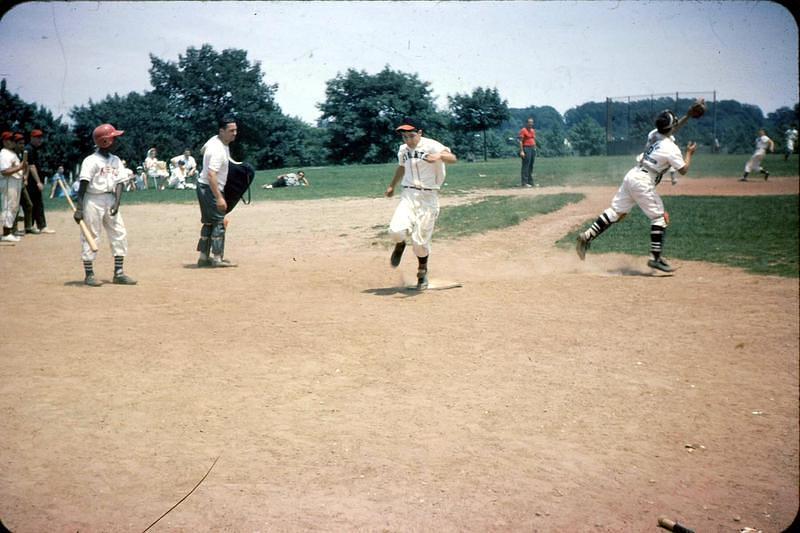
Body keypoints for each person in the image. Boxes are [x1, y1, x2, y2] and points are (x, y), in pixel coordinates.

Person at [575, 106, 701, 273]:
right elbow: (683, 170)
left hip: (633, 175)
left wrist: (688, 116)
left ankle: (586, 237)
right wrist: (690, 153)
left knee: (616, 212)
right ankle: (655, 258)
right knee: (659, 218)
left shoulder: (653, 135)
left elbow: (670, 129)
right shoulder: (671, 149)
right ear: (671, 128)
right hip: (644, 181)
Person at [385, 117, 457, 290]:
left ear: (419, 133)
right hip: (408, 194)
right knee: (395, 231)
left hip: (428, 197)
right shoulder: (403, 149)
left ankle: (422, 271)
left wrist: (439, 156)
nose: (408, 140)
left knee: (420, 242)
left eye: (411, 135)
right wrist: (391, 185)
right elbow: (402, 167)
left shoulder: (431, 145)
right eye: (404, 136)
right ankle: (400, 244)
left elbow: (452, 158)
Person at [73, 123, 137, 286]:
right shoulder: (91, 161)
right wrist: (79, 208)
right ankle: (89, 274)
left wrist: (117, 202)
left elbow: (121, 182)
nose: (117, 141)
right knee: (91, 235)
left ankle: (119, 273)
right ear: (105, 141)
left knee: (119, 232)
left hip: (110, 198)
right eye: (114, 138)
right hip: (92, 199)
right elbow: (83, 185)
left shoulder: (115, 160)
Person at [195, 116, 238, 268]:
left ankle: (203, 257)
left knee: (209, 222)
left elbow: (203, 150)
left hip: (205, 187)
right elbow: (211, 174)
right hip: (210, 188)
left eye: (235, 130)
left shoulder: (216, 141)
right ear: (221, 131)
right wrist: (219, 198)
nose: (235, 133)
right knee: (219, 222)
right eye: (231, 131)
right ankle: (217, 258)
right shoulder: (217, 150)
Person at [21, 129, 54, 234]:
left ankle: (31, 226)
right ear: (31, 138)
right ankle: (41, 226)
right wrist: (38, 182)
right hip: (31, 181)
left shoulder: (34, 149)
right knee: (37, 203)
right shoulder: (29, 149)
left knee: (33, 203)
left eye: (40, 137)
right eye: (37, 138)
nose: (40, 140)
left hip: (31, 181)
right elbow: (31, 166)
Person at [0, 131, 28, 242]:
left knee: (14, 207)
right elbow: (5, 171)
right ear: (5, 141)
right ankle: (6, 233)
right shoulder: (4, 154)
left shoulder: (11, 153)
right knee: (8, 205)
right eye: (11, 140)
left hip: (14, 181)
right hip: (8, 182)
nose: (13, 142)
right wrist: (20, 167)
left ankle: (9, 231)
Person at [518, 117, 537, 187]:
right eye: (529, 122)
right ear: (527, 123)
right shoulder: (523, 130)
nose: (531, 124)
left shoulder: (532, 130)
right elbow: (520, 141)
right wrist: (522, 151)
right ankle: (524, 183)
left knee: (531, 166)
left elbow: (533, 139)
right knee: (526, 166)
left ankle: (530, 181)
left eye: (532, 122)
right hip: (526, 148)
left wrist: (535, 147)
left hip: (532, 148)